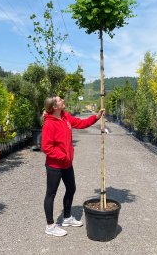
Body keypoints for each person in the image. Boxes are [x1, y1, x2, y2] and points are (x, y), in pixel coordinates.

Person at [41, 95, 104, 237]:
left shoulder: (65, 117)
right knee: (51, 194)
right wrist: (62, 156)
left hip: (67, 164)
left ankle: (67, 218)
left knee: (71, 188)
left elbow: (80, 123)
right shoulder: (49, 124)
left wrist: (96, 117)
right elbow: (46, 147)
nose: (63, 100)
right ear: (54, 107)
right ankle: (50, 226)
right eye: (59, 100)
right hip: (55, 166)